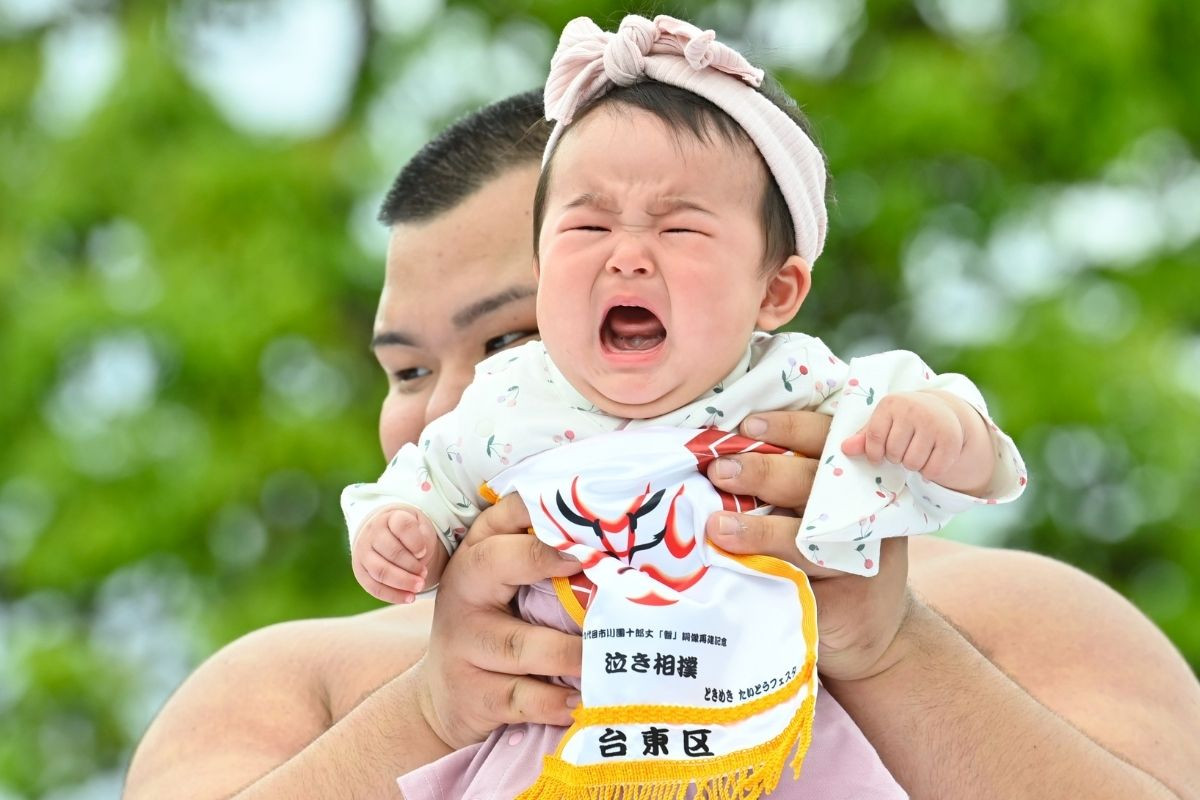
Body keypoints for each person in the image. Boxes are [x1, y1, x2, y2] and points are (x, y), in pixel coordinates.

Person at [122, 91, 1200, 800]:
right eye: (407, 369)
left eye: (515, 344)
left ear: (747, 307)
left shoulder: (1019, 622)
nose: (450, 411)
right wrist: (422, 714)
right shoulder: (291, 685)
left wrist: (893, 652)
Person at [339, 15, 1027, 799]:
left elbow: (928, 423)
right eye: (589, 225)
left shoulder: (790, 382)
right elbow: (428, 477)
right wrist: (400, 532)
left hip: (772, 728)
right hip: (561, 732)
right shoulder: (511, 398)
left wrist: (942, 430)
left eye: (679, 227)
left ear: (775, 291)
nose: (626, 252)